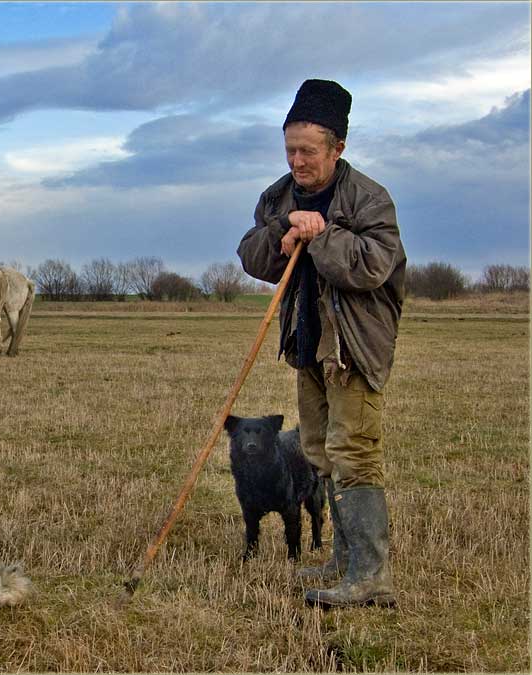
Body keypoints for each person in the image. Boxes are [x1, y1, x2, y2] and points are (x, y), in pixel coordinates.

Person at [237, 79, 406, 608]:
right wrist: (285, 232)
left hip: (352, 348)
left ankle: (370, 576)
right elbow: (252, 255)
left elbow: (373, 266)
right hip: (307, 345)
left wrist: (321, 233)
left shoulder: (369, 198)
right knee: (318, 452)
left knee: (354, 453)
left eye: (308, 151)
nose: (297, 161)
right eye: (290, 149)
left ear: (338, 148)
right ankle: (342, 561)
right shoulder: (279, 196)